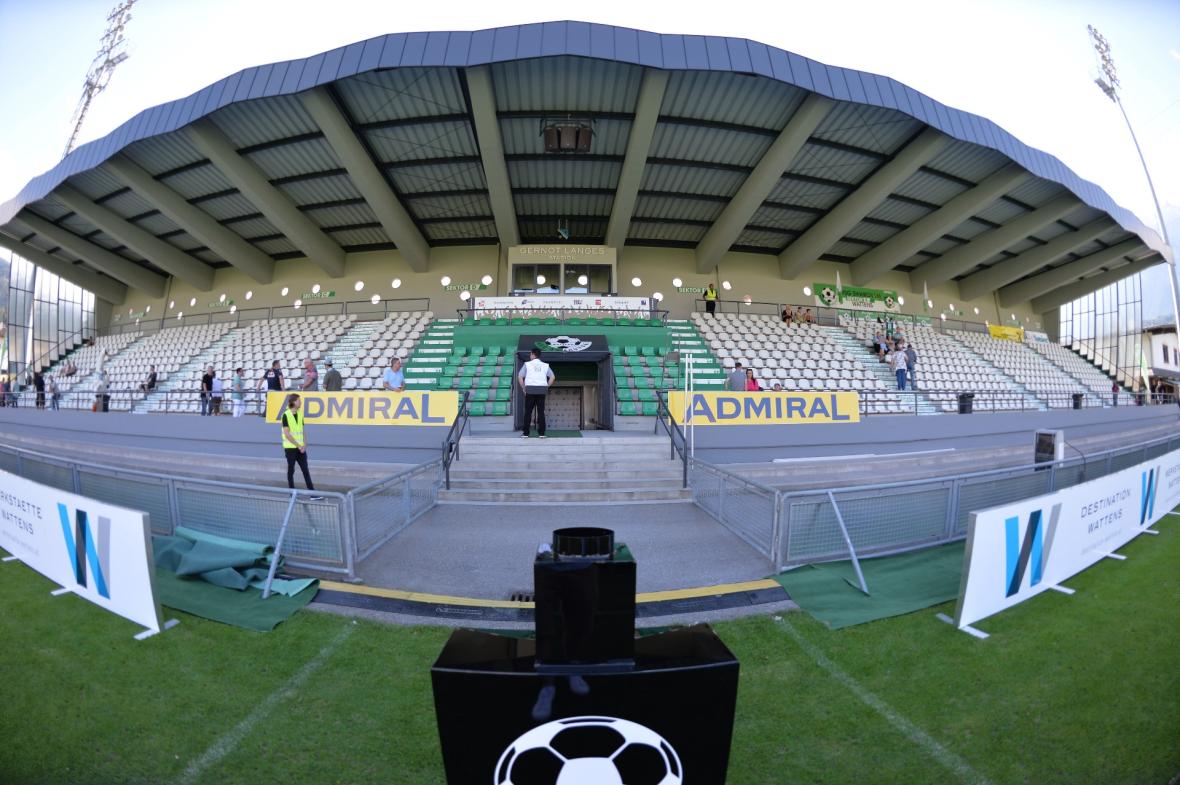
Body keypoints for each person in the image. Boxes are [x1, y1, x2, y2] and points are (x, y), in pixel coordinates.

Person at [280, 394, 322, 500]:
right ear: (293, 402)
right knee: (291, 470)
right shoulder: (286, 415)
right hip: (290, 448)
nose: (301, 402)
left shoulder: (300, 414)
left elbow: (302, 430)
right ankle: (292, 493)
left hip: (300, 448)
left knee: (305, 470)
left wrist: (305, 444)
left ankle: (312, 494)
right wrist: (298, 445)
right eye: (299, 400)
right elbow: (287, 434)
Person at [518, 347, 555, 438]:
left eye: (530, 354)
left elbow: (520, 376)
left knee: (528, 412)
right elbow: (552, 377)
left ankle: (526, 433)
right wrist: (546, 386)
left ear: (533, 354)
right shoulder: (545, 365)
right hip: (541, 389)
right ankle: (541, 433)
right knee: (541, 412)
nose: (530, 356)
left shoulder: (527, 364)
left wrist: (524, 388)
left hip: (530, 389)